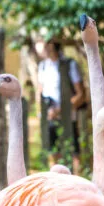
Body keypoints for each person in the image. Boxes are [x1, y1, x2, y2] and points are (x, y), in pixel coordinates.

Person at [37, 39, 86, 172]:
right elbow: (40, 91)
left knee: (74, 152)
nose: (46, 49)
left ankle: (78, 180)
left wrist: (60, 110)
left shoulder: (70, 65)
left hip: (68, 115)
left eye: (48, 46)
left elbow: (80, 94)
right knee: (52, 152)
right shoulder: (42, 66)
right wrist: (43, 112)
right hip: (50, 115)